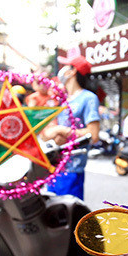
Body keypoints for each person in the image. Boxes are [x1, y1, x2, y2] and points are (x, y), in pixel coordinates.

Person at [44, 55, 100, 200]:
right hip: (53, 168)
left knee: (69, 217)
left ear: (73, 71)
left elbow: (93, 135)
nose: (62, 70)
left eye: (67, 66)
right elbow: (45, 132)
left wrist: (61, 131)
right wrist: (55, 132)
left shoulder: (88, 98)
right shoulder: (61, 100)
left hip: (72, 169)